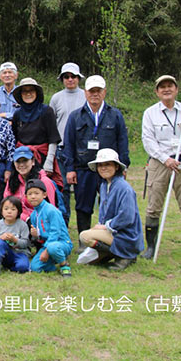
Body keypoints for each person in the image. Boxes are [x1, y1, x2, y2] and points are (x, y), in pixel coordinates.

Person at [142, 75, 181, 260]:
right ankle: (150, 247)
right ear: (157, 92)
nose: (166, 89)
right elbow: (148, 140)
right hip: (159, 162)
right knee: (153, 207)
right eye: (162, 87)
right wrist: (165, 158)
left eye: (170, 86)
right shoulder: (150, 113)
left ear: (176, 89)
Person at [63, 75, 130, 240]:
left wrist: (124, 166)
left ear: (104, 92)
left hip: (109, 169)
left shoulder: (115, 115)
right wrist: (70, 169)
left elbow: (122, 141)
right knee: (83, 206)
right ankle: (83, 239)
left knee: (109, 205)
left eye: (98, 91)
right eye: (91, 91)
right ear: (85, 93)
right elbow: (69, 144)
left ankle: (107, 238)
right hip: (83, 168)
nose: (95, 94)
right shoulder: (75, 116)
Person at [78, 148, 143, 270]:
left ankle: (125, 255)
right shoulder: (104, 185)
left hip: (125, 235)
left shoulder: (124, 188)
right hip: (113, 231)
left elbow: (127, 217)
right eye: (100, 165)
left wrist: (105, 226)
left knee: (85, 236)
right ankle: (109, 254)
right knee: (83, 260)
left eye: (107, 164)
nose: (103, 168)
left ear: (116, 167)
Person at [49, 62, 87, 222]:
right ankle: (64, 222)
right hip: (62, 149)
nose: (70, 79)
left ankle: (83, 224)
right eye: (66, 77)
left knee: (83, 189)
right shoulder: (56, 98)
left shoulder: (86, 95)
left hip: (83, 149)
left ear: (78, 78)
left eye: (73, 76)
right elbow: (51, 125)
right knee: (63, 187)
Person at [11, 77, 62, 186]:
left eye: (31, 91)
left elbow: (53, 138)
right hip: (22, 159)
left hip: (42, 158)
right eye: (25, 91)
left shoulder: (46, 111)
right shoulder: (18, 114)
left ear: (36, 93)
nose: (28, 94)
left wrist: (49, 162)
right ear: (20, 94)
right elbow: (14, 139)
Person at [4, 146, 64, 224]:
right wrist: (25, 218)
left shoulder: (44, 181)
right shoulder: (12, 180)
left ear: (33, 161)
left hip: (42, 223)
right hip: (17, 221)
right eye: (18, 161)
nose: (21, 165)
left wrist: (32, 220)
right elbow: (7, 204)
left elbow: (51, 210)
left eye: (25, 161)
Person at [26, 179, 72, 277]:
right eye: (29, 194)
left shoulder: (52, 210)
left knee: (52, 247)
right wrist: (36, 236)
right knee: (35, 268)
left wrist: (46, 250)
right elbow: (41, 238)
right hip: (47, 245)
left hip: (61, 243)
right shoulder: (34, 215)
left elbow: (56, 233)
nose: (33, 196)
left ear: (44, 195)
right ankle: (54, 262)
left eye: (36, 193)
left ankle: (64, 265)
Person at [0, 196, 31, 277]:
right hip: (5, 254)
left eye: (13, 209)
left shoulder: (22, 225)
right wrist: (1, 238)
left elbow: (26, 243)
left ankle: (12, 267)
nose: (9, 212)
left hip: (20, 253)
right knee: (0, 242)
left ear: (18, 211)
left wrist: (15, 240)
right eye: (6, 209)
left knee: (22, 267)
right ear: (1, 211)